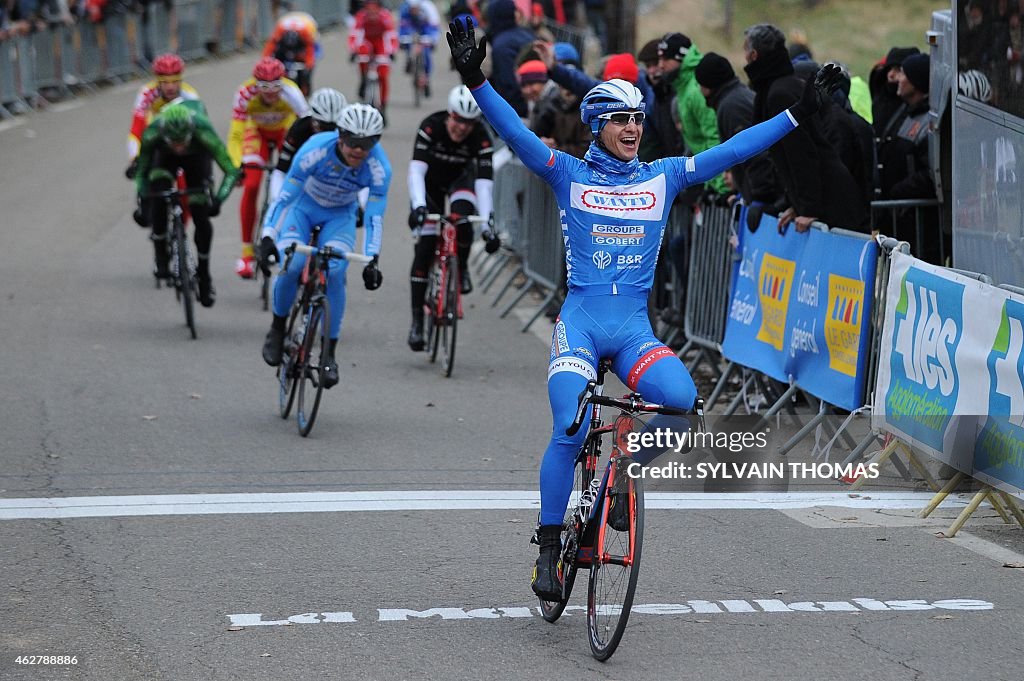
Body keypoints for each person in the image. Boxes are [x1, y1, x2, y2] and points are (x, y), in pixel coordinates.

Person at [445, 17, 842, 600]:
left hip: (632, 329)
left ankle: (622, 475)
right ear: (598, 126)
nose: (633, 128)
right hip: (580, 324)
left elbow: (732, 148)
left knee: (681, 404)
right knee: (570, 424)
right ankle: (550, 547)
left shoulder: (664, 176)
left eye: (637, 118)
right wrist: (475, 80)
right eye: (620, 120)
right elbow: (516, 135)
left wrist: (797, 114)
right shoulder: (566, 174)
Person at [260, 104, 389, 388]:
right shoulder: (315, 149)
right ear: (340, 136)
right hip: (302, 210)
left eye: (367, 144)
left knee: (334, 273)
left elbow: (374, 218)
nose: (358, 150)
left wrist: (372, 259)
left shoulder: (379, 168)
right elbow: (283, 199)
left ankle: (329, 352)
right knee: (292, 265)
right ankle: (277, 329)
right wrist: (268, 235)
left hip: (340, 217)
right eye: (353, 142)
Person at [406, 85, 500, 351]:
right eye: (458, 120)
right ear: (450, 114)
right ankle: (416, 322)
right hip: (430, 184)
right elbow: (415, 172)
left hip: (461, 181)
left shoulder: (481, 137)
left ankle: (462, 265)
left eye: (468, 123)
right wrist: (418, 206)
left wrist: (488, 223)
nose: (462, 128)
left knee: (463, 221)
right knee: (424, 250)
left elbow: (484, 185)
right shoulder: (431, 127)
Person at [133, 101, 241, 307]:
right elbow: (142, 170)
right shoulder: (153, 131)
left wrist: (218, 199)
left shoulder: (202, 129)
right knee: (158, 190)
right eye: (174, 142)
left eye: (182, 141)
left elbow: (231, 170)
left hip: (197, 158)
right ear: (165, 135)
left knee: (200, 213)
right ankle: (161, 253)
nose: (179, 147)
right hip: (164, 159)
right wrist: (143, 199)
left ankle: (204, 274)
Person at [228, 56, 310, 280]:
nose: (271, 92)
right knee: (252, 185)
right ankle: (246, 254)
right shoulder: (245, 93)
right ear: (255, 84)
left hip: (285, 132)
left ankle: (290, 245)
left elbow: (308, 127)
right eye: (264, 86)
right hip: (257, 135)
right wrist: (236, 165)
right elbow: (236, 134)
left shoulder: (292, 93)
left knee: (290, 190)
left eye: (276, 86)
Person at [268, 87, 348, 206]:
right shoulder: (299, 129)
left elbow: (361, 174)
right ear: (313, 119)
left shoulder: (348, 132)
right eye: (323, 126)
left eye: (334, 127)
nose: (327, 133)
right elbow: (281, 170)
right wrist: (276, 201)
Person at [125, 54, 201, 179]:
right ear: (157, 82)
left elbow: (201, 127)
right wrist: (135, 158)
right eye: (164, 82)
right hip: (158, 133)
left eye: (175, 81)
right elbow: (136, 129)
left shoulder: (190, 95)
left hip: (183, 136)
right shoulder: (146, 93)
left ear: (181, 80)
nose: (170, 87)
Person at [348, 0, 399, 123]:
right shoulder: (360, 17)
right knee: (362, 58)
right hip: (366, 42)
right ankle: (363, 79)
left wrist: (391, 52)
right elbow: (355, 35)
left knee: (383, 76)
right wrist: (354, 50)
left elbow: (391, 35)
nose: (371, 13)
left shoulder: (386, 16)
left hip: (381, 43)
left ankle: (383, 107)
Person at [262, 10, 321, 95]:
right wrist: (266, 62)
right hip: (284, 43)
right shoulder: (279, 31)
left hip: (309, 39)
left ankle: (306, 88)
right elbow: (270, 46)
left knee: (307, 71)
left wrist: (308, 66)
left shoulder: (306, 33)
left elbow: (310, 49)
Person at [398, 0, 442, 97]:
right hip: (411, 29)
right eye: (412, 9)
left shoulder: (428, 8)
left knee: (426, 52)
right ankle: (409, 59)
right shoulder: (404, 8)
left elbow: (434, 27)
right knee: (408, 43)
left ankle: (426, 78)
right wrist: (401, 39)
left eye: (416, 8)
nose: (414, 10)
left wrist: (433, 40)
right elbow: (402, 27)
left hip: (425, 29)